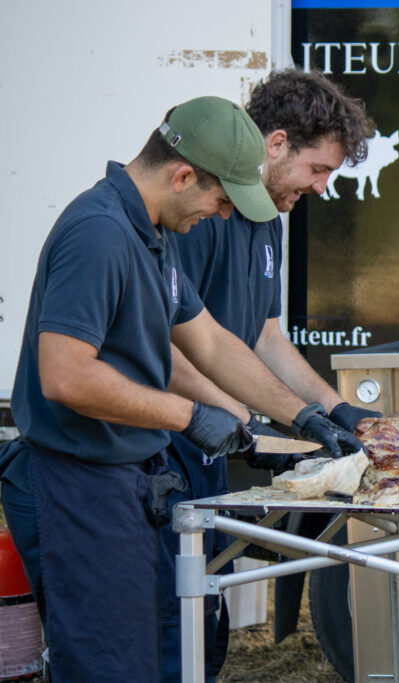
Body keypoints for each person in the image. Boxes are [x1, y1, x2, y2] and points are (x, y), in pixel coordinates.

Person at [0, 96, 363, 681]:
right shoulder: (99, 233)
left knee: (152, 654)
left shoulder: (153, 234)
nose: (223, 215)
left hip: (126, 478)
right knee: (108, 667)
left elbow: (210, 343)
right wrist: (188, 415)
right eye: (221, 200)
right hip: (74, 482)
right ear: (184, 176)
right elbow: (64, 375)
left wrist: (299, 418)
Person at [157, 69, 377, 681]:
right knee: (173, 625)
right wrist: (255, 419)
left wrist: (333, 409)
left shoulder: (270, 220)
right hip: (168, 442)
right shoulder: (203, 211)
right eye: (318, 169)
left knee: (205, 618)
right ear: (276, 143)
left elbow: (264, 336)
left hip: (216, 444)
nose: (322, 187)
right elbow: (175, 342)